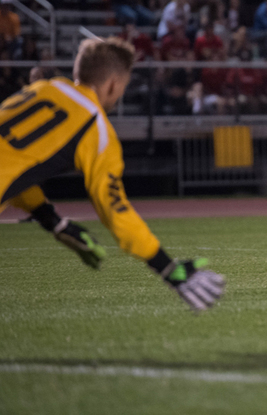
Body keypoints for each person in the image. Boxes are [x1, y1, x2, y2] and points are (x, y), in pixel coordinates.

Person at [0, 37, 224, 310]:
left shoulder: (44, 88)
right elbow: (114, 208)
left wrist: (52, 221)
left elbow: (14, 164)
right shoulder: (95, 126)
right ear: (113, 84)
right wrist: (166, 267)